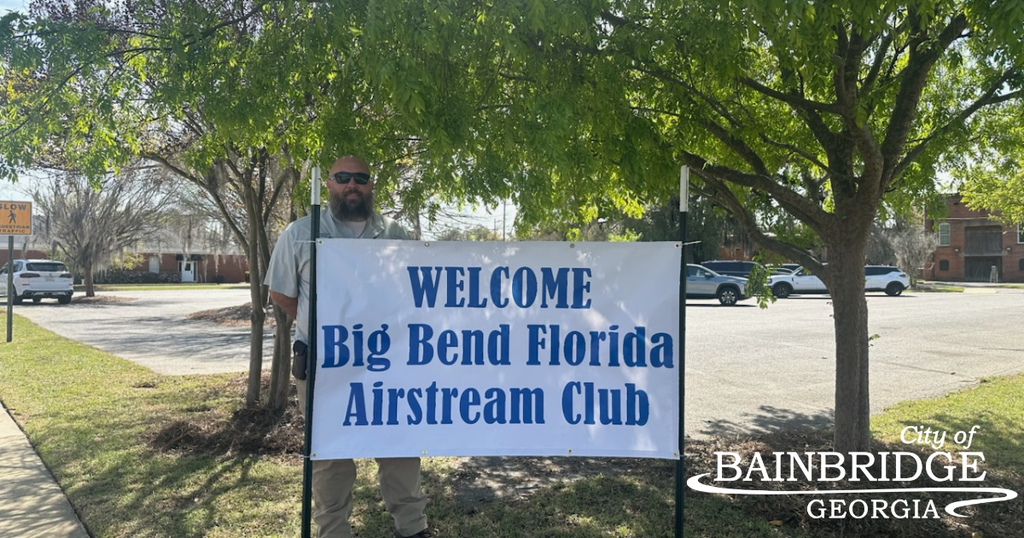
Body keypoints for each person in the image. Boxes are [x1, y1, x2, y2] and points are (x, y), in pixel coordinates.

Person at [265, 155, 434, 538]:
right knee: (330, 455)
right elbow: (282, 293)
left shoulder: (396, 234)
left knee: (398, 444)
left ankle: (412, 527)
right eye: (343, 177)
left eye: (360, 178)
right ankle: (333, 530)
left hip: (388, 365)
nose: (351, 185)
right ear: (328, 184)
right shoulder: (300, 233)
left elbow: (413, 294)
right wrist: (325, 328)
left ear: (372, 185)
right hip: (325, 366)